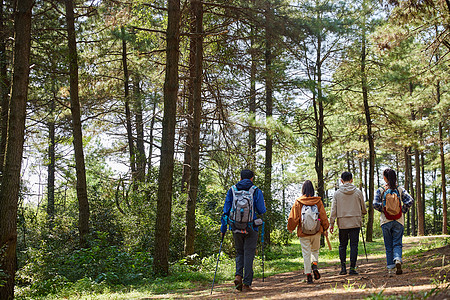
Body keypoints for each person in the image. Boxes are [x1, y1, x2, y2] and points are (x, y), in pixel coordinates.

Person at [220, 169, 266, 292]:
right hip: (251, 227)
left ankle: (238, 276)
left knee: (239, 252)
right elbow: (261, 210)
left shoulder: (232, 190)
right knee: (249, 253)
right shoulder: (256, 191)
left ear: (240, 178)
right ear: (252, 178)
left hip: (235, 227)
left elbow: (226, 211)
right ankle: (246, 284)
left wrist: (223, 229)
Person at [287, 180, 329, 284]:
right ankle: (314, 264)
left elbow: (293, 217)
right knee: (315, 250)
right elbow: (323, 216)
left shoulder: (298, 202)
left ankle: (308, 274)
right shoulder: (318, 201)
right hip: (316, 231)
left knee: (306, 253)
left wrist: (290, 227)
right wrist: (325, 228)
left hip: (303, 232)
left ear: (303, 189)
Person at [373, 168, 414, 276]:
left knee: (388, 245)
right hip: (398, 220)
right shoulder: (400, 189)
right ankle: (397, 259)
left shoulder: (381, 190)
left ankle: (390, 269)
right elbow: (410, 201)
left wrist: (385, 209)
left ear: (385, 177)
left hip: (385, 221)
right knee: (397, 243)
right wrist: (402, 210)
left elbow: (375, 204)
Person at [329, 171, 367, 275]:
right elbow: (363, 208)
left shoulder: (337, 193)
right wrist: (362, 213)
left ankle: (343, 268)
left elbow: (333, 210)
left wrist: (331, 223)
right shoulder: (358, 192)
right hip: (355, 221)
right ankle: (352, 268)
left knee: (343, 245)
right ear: (351, 180)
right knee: (354, 245)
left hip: (343, 222)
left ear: (341, 181)